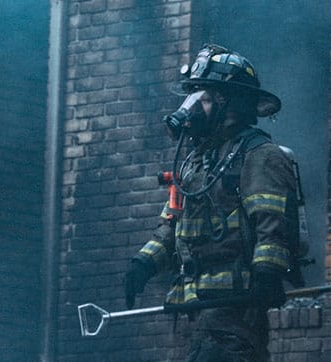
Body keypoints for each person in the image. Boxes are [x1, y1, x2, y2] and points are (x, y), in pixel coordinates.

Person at [124, 44, 299, 362]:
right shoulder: (193, 164)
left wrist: (265, 276)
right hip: (194, 310)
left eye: (202, 98)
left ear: (229, 104)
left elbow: (272, 228)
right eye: (191, 98)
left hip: (236, 311)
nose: (189, 108)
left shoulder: (260, 155)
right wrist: (143, 264)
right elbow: (172, 225)